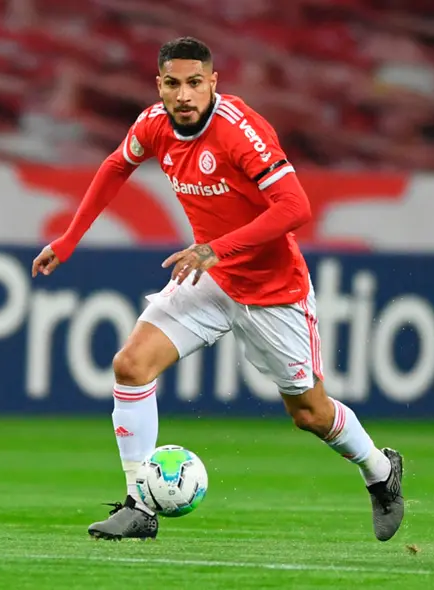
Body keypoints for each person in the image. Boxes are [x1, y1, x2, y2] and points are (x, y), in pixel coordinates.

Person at [30, 37, 405, 541]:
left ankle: (380, 471)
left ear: (213, 82)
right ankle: (139, 505)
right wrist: (69, 239)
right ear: (158, 85)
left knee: (310, 414)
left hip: (272, 290)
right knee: (131, 365)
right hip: (210, 278)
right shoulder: (154, 124)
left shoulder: (239, 131)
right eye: (172, 84)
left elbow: (295, 208)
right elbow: (117, 165)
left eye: (194, 83)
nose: (183, 95)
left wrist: (216, 248)